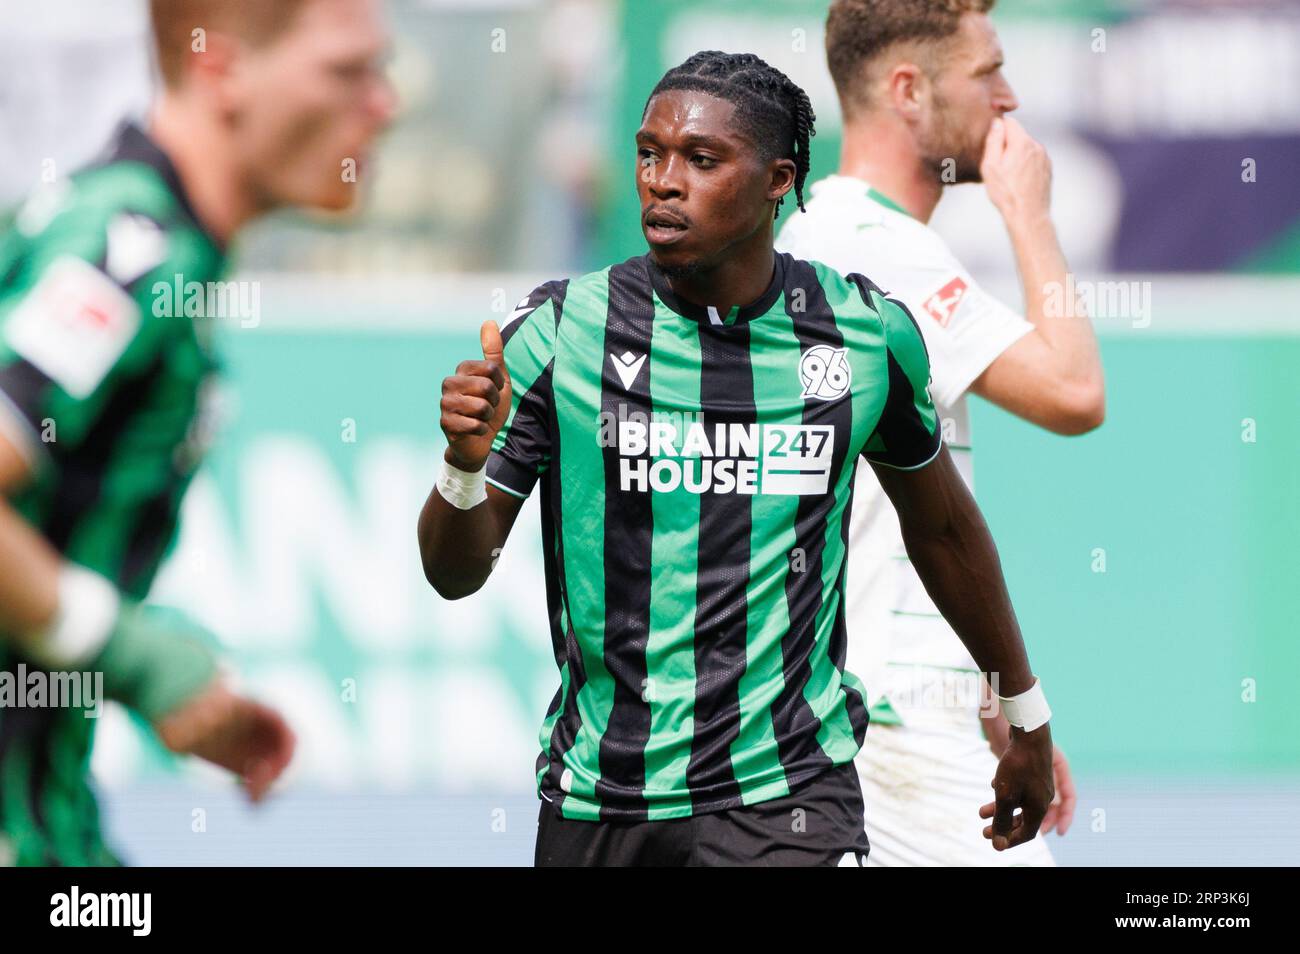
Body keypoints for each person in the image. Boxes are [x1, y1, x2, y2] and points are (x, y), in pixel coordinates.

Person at [419, 50, 1055, 867]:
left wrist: (1025, 714)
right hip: (599, 803)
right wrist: (462, 466)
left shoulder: (863, 334)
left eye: (702, 159)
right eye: (650, 153)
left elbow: (943, 530)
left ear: (777, 181)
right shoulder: (560, 333)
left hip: (788, 797)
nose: (663, 180)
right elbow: (453, 571)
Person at [0, 0, 397, 865]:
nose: (384, 104)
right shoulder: (129, 247)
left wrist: (150, 668)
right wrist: (127, 654)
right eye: (346, 70)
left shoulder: (159, 244)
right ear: (219, 67)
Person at [776, 0, 1103, 865]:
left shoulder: (832, 232)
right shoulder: (873, 245)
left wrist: (993, 701)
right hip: (897, 723)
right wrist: (1028, 213)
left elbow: (890, 518)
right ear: (909, 89)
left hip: (891, 705)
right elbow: (1074, 390)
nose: (1010, 97)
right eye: (988, 71)